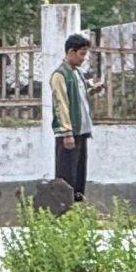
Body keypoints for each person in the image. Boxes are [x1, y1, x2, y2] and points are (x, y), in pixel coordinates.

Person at [48, 33, 97, 201]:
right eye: (82, 54)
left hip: (81, 131)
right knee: (66, 174)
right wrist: (67, 132)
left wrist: (93, 90)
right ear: (71, 52)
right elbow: (61, 103)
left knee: (79, 174)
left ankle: (77, 206)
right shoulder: (60, 75)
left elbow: (78, 96)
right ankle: (62, 208)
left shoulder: (77, 74)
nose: (84, 58)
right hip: (69, 133)